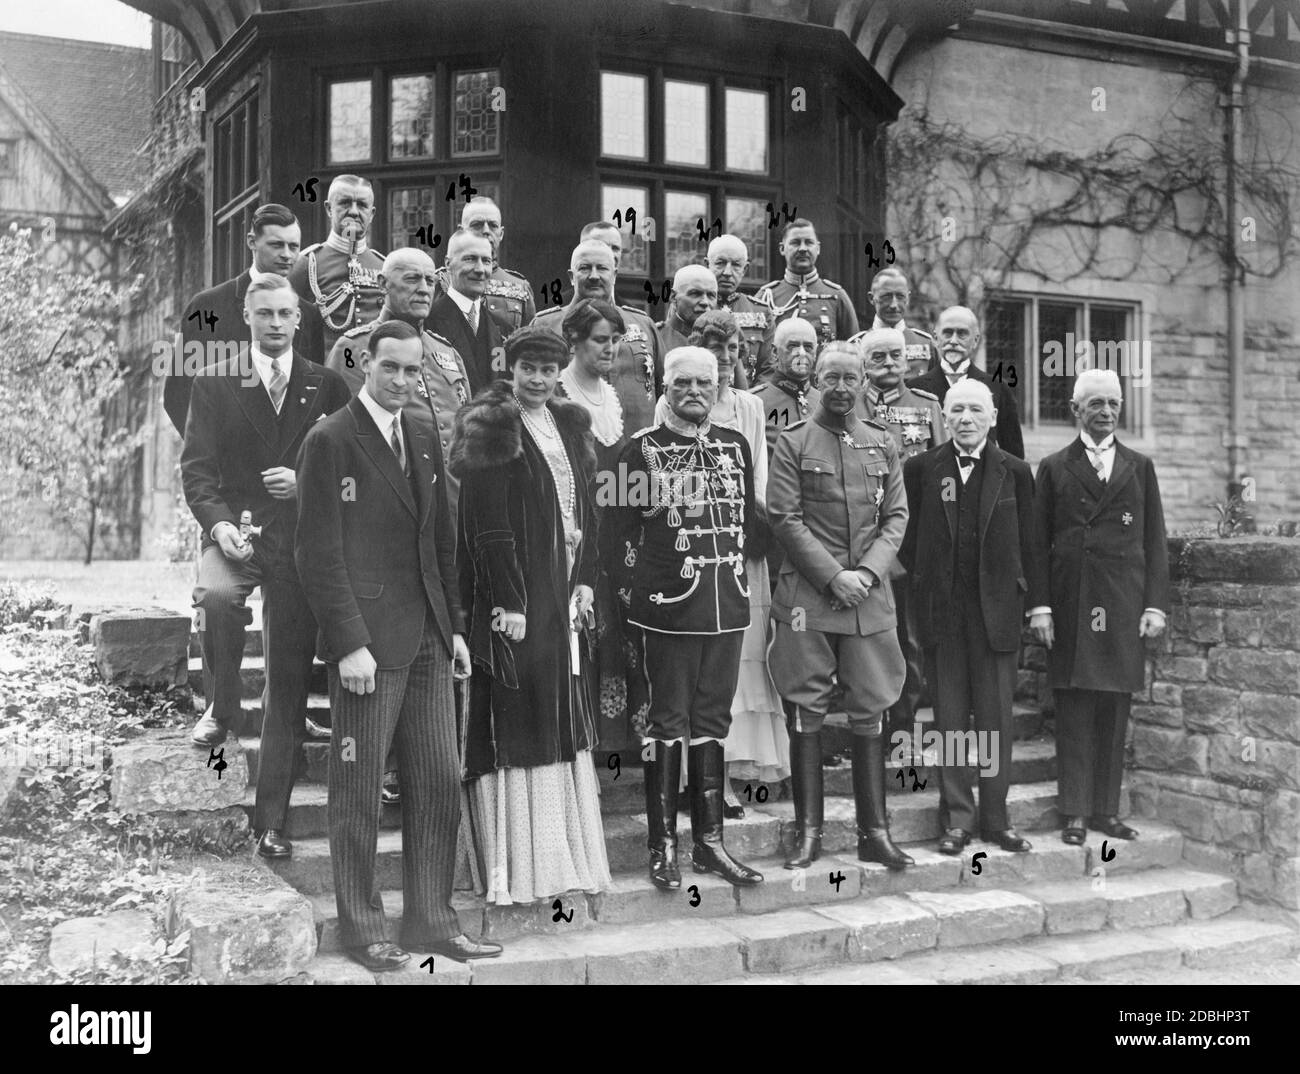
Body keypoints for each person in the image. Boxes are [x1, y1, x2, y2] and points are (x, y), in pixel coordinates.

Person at [295, 319, 500, 970]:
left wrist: (457, 626)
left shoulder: (421, 429)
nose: (404, 381)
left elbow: (441, 538)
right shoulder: (329, 441)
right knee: (356, 787)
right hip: (367, 646)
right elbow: (317, 554)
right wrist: (347, 642)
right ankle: (362, 928)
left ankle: (431, 922)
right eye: (392, 369)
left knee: (439, 778)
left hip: (430, 640)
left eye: (414, 371)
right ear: (366, 364)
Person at [182, 275, 351, 860]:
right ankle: (223, 703)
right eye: (265, 314)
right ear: (247, 317)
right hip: (235, 533)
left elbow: (347, 471)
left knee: (286, 681)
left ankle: (271, 822)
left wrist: (303, 484)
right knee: (217, 598)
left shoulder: (326, 384)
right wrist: (219, 525)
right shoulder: (215, 379)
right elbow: (197, 472)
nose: (276, 324)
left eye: (286, 314)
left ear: (299, 320)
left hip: (299, 543)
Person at [449, 326, 612, 905]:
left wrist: (587, 578)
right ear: (509, 367)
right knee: (518, 714)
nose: (539, 380)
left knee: (558, 710)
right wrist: (509, 602)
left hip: (563, 591)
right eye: (528, 369)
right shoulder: (493, 424)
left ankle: (560, 856)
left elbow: (586, 509)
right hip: (516, 597)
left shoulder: (569, 422)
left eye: (548, 369)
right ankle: (515, 866)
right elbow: (487, 528)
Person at [605, 346, 764, 891]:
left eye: (706, 383)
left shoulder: (736, 446)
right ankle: (662, 847)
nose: (695, 392)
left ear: (720, 387)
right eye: (682, 384)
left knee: (713, 723)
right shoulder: (638, 451)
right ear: (664, 390)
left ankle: (710, 843)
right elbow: (616, 537)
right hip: (667, 611)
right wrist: (635, 602)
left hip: (727, 606)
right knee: (667, 724)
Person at [326, 246, 472, 806]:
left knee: (439, 629)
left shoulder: (446, 351)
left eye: (430, 280)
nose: (423, 287)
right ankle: (384, 764)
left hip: (444, 501)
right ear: (383, 284)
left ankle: (425, 757)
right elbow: (338, 427)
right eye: (408, 279)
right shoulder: (354, 346)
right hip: (378, 511)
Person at [767, 341, 911, 870]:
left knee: (871, 703)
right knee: (807, 704)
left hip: (868, 598)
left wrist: (867, 573)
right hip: (809, 596)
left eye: (852, 378)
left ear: (863, 384)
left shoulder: (883, 443)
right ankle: (810, 833)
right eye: (832, 378)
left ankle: (875, 831)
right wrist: (834, 576)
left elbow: (895, 516)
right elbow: (784, 518)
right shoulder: (793, 441)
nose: (842, 387)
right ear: (814, 383)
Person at [654, 310, 789, 817]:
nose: (728, 357)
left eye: (735, 349)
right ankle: (682, 787)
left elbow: (757, 476)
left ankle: (723, 782)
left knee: (731, 672)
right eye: (717, 347)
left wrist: (749, 536)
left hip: (737, 551)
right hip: (687, 556)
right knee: (684, 678)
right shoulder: (667, 406)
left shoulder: (749, 408)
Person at [899, 379, 1038, 856]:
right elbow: (906, 539)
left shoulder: (1015, 471)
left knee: (996, 720)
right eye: (956, 410)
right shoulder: (920, 469)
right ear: (945, 416)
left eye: (975, 410)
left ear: (993, 417)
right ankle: (957, 818)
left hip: (996, 613)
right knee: (952, 719)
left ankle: (997, 819)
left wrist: (1034, 603)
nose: (965, 419)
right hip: (943, 616)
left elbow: (1032, 545)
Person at [1030, 369, 1169, 846]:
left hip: (1123, 603)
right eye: (1096, 405)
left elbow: (1154, 541)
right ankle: (1074, 812)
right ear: (1076, 411)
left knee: (1114, 707)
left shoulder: (1139, 466)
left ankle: (1105, 812)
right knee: (1074, 706)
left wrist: (1155, 606)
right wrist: (1041, 607)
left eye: (1114, 404)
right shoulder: (1052, 467)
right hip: (1072, 601)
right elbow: (1036, 543)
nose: (1106, 412)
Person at [554, 298, 645, 755]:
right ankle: (576, 743)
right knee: (581, 630)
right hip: (572, 529)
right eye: (600, 340)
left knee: (616, 629)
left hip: (615, 528)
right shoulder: (556, 393)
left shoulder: (613, 394)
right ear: (574, 340)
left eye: (615, 341)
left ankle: (614, 743)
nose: (610, 349)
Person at [854, 326, 946, 741]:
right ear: (864, 364)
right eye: (878, 358)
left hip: (910, 539)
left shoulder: (926, 405)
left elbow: (943, 473)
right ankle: (864, 721)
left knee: (907, 634)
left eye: (896, 356)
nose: (889, 364)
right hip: (855, 535)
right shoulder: (846, 403)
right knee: (862, 633)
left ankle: (903, 724)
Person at [166, 204, 320, 435]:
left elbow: (314, 396)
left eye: (294, 246)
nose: (287, 255)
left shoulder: (308, 315)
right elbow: (177, 395)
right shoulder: (207, 307)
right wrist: (210, 457)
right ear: (251, 242)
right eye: (276, 245)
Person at [534, 240, 662, 434]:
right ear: (571, 276)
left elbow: (664, 389)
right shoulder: (546, 326)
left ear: (615, 275)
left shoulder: (643, 325)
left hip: (637, 447)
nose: (594, 276)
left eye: (602, 268)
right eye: (585, 268)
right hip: (571, 443)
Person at [906, 305, 1024, 459]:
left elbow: (1014, 456)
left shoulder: (997, 387)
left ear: (975, 340)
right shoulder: (914, 388)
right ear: (935, 338)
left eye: (962, 334)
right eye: (947, 333)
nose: (953, 341)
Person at [289, 174, 385, 360]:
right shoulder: (307, 264)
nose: (354, 212)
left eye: (362, 205)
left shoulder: (384, 266)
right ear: (329, 208)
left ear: (372, 214)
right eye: (345, 203)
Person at [755, 218, 858, 375]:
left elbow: (852, 352)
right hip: (777, 388)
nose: (802, 248)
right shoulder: (766, 297)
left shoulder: (836, 297)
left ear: (818, 248)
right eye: (795, 242)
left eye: (808, 242)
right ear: (782, 248)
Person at [428, 229, 511, 395]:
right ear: (448, 263)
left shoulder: (500, 325)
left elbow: (500, 378)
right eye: (470, 259)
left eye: (486, 261)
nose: (480, 269)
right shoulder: (429, 320)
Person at [459, 196, 535, 331]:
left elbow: (529, 344)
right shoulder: (442, 283)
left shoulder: (520, 287)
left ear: (501, 234)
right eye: (477, 225)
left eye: (493, 226)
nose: (486, 231)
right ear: (461, 232)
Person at [707, 233, 775, 385]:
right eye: (720, 263)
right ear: (707, 264)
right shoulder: (695, 307)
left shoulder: (761, 312)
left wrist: (750, 402)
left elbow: (769, 370)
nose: (727, 272)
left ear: (745, 269)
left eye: (736, 265)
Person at [851, 266, 939, 379]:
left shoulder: (926, 344)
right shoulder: (855, 346)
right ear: (871, 298)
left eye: (900, 296)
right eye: (886, 297)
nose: (894, 305)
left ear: (908, 298)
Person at [655, 264, 717, 353]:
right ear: (673, 296)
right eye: (695, 293)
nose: (705, 302)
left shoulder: (723, 341)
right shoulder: (657, 338)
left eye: (711, 295)